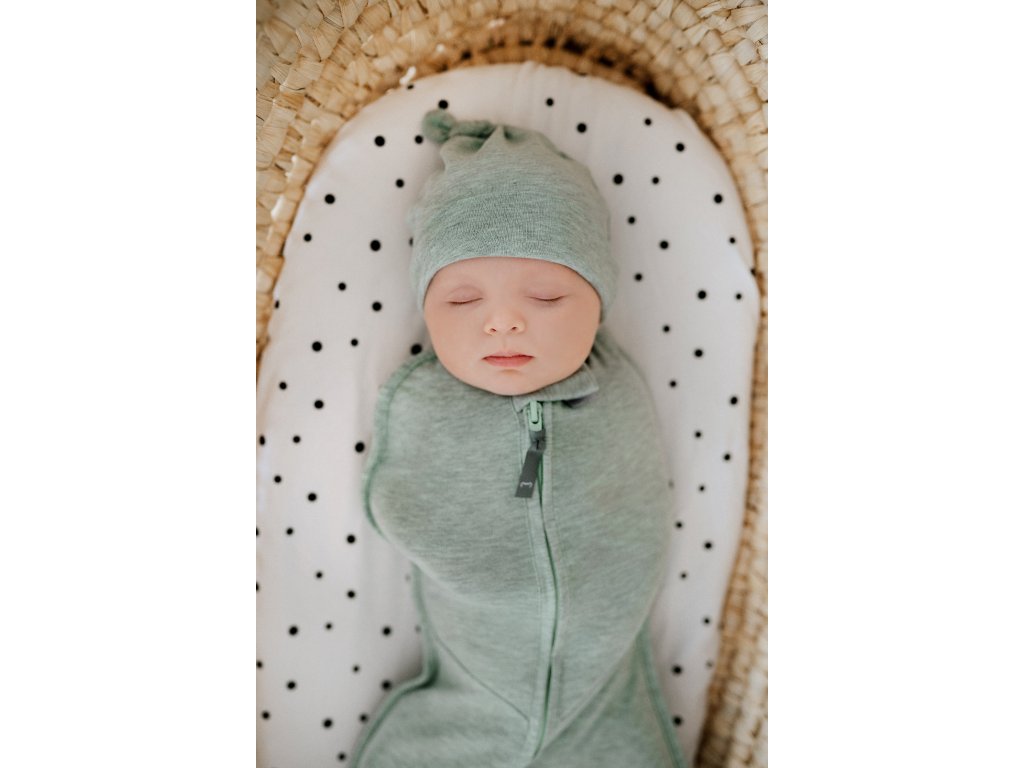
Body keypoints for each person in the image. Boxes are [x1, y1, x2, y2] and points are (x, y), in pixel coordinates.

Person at [350, 109, 686, 768]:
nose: (503, 322)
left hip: (605, 705)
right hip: (468, 702)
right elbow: (402, 509)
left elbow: (637, 523)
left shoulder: (616, 394)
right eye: (463, 300)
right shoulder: (423, 402)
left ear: (599, 300)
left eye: (547, 297)